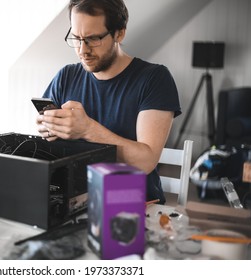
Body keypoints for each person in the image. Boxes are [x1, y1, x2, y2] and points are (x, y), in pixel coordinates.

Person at [36, 0, 181, 204]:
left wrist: (87, 129)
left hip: (135, 204)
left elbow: (146, 162)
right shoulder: (66, 76)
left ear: (119, 33)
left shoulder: (154, 78)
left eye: (93, 39)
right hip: (76, 200)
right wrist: (49, 129)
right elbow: (46, 141)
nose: (82, 50)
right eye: (76, 38)